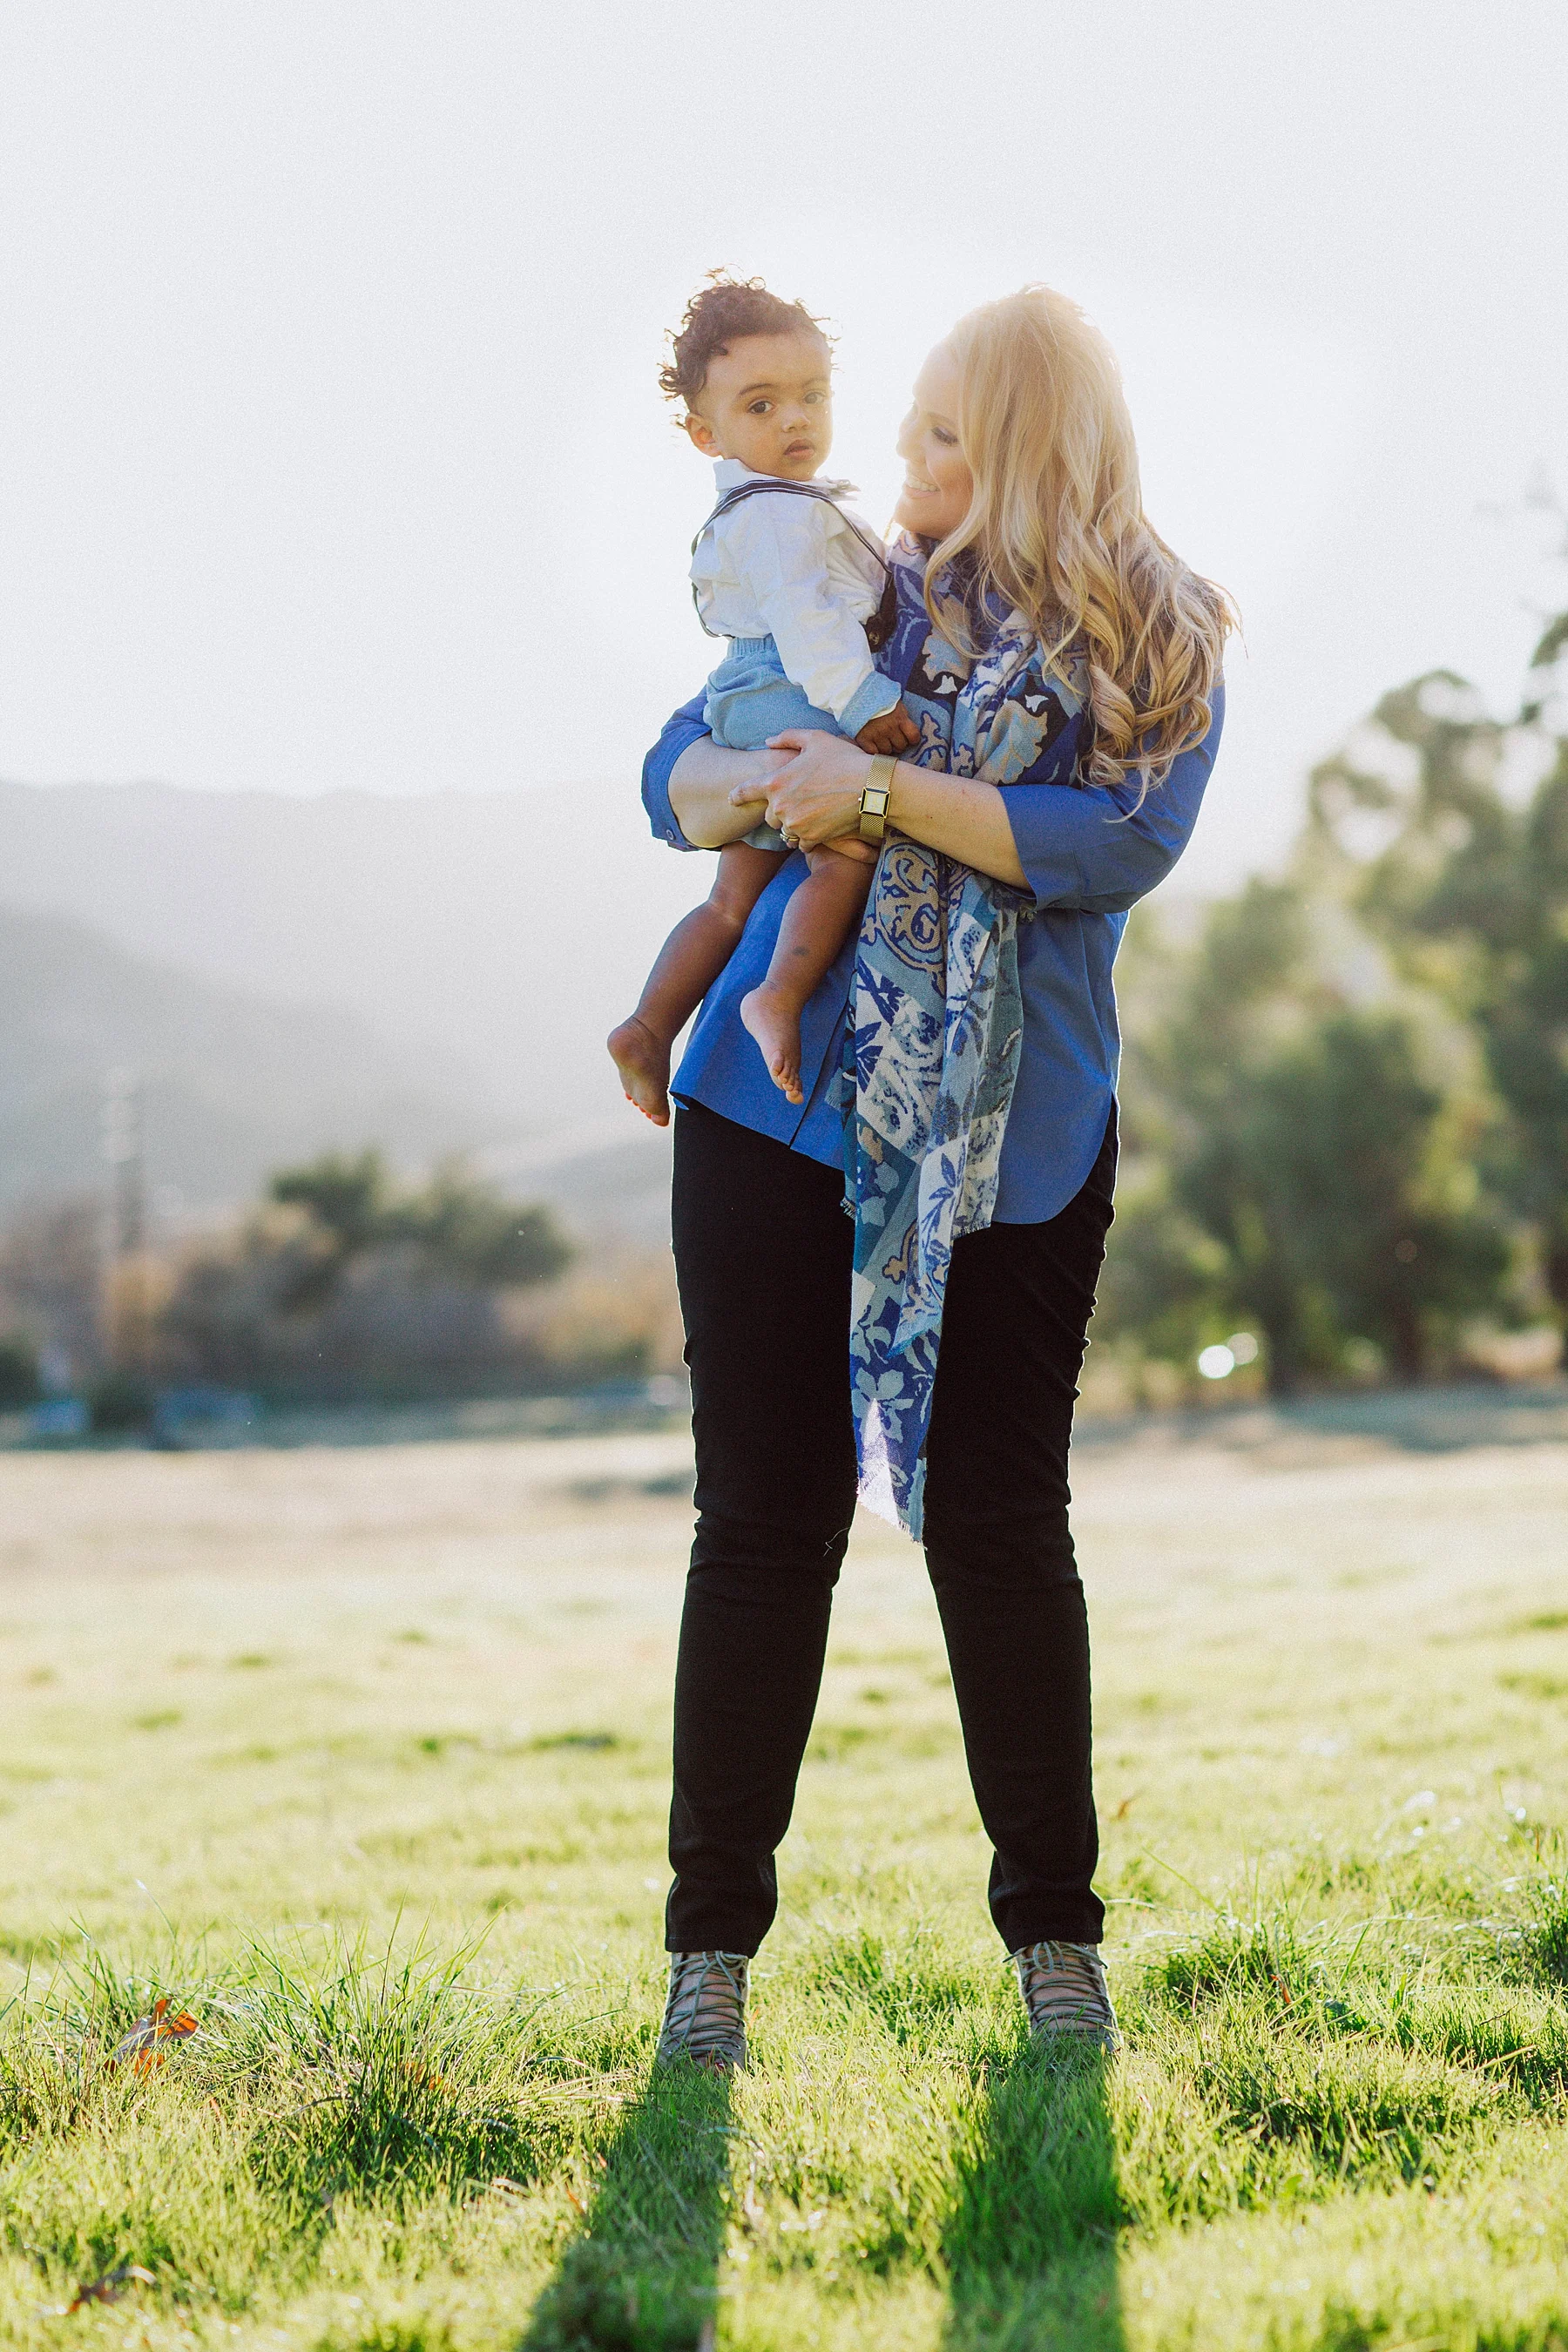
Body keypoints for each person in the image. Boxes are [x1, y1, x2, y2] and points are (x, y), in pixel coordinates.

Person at [639, 286, 1233, 2072]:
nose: (898, 465)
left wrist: (881, 801)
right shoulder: (856, 594)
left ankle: (1058, 1946)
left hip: (1016, 1140)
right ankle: (708, 1968)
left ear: (1034, 444)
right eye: (903, 431)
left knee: (995, 1526)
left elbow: (1111, 843)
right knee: (762, 1521)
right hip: (779, 1101)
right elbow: (676, 778)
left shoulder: (1162, 633)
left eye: (940, 433)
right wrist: (778, 781)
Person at [607, 277, 917, 1120]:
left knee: (728, 899)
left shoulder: (765, 508)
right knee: (842, 854)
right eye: (760, 405)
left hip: (746, 698)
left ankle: (647, 1024)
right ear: (706, 434)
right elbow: (808, 623)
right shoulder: (779, 516)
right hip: (796, 698)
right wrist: (866, 703)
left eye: (811, 397)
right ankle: (778, 994)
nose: (794, 420)